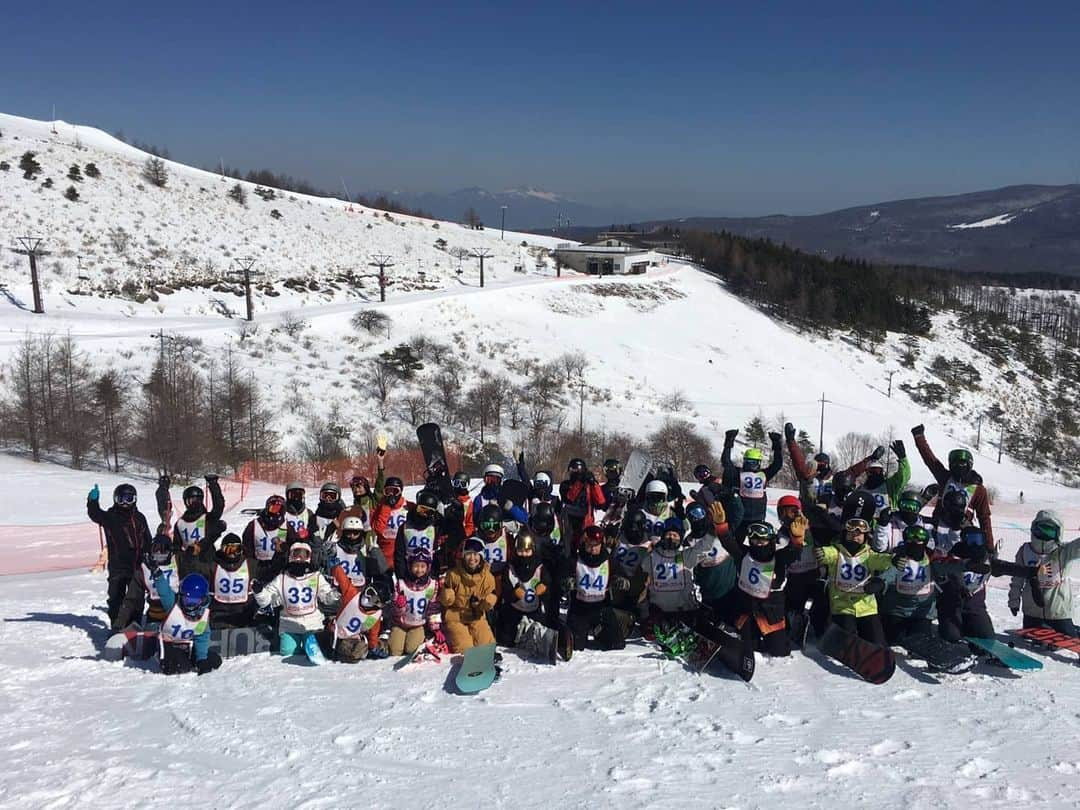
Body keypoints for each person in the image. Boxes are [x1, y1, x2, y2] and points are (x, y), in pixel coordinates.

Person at [717, 520, 799, 656]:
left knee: (779, 651)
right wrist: (721, 527)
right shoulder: (744, 555)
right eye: (754, 540)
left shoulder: (778, 558)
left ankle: (792, 620)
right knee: (749, 646)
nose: (758, 544)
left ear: (771, 540)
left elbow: (793, 553)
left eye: (762, 540)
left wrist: (797, 540)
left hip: (771, 611)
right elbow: (728, 543)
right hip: (747, 609)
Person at [911, 425, 994, 553]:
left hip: (962, 533)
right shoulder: (945, 478)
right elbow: (931, 460)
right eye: (955, 464)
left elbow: (984, 517)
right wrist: (919, 437)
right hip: (938, 528)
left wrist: (989, 547)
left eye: (962, 464)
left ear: (969, 466)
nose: (958, 467)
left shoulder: (978, 489)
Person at [815, 516, 895, 644]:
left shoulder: (869, 555)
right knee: (848, 636)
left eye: (859, 534)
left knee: (876, 639)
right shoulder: (837, 552)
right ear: (845, 534)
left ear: (865, 537)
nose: (855, 537)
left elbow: (881, 560)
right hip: (842, 605)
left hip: (867, 606)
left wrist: (892, 559)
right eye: (851, 533)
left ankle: (876, 654)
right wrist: (822, 553)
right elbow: (828, 554)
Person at [253, 542, 340, 658]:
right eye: (296, 554)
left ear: (309, 558)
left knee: (313, 652)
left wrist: (336, 592)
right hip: (289, 624)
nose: (299, 558)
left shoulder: (316, 576)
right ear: (290, 556)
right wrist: (259, 592)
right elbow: (267, 600)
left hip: (312, 624)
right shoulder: (282, 578)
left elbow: (327, 598)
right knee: (288, 653)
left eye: (304, 555)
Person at [87, 482, 153, 627]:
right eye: (121, 499)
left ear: (134, 499)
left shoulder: (139, 518)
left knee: (137, 598)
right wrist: (92, 501)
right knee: (116, 598)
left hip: (137, 566)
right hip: (118, 566)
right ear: (115, 499)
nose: (124, 503)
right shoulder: (111, 517)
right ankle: (117, 626)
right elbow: (95, 514)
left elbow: (147, 539)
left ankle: (135, 625)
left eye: (128, 499)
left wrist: (150, 555)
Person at [497, 533, 568, 661]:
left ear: (532, 550)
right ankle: (523, 632)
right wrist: (513, 594)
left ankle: (550, 638)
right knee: (506, 640)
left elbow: (550, 590)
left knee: (543, 627)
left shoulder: (540, 567)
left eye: (527, 551)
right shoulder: (510, 568)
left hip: (533, 609)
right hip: (514, 609)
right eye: (520, 551)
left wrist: (545, 589)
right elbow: (505, 591)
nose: (524, 554)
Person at [1009, 510, 1080, 636]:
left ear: (1058, 533)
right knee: (1032, 642)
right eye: (1040, 529)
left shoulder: (1064, 551)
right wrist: (1014, 601)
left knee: (1069, 639)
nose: (1043, 534)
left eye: (1049, 531)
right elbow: (1017, 579)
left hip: (1059, 613)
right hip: (1032, 612)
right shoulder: (1025, 551)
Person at [641, 515, 718, 630]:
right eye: (668, 534)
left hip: (685, 611)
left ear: (681, 538)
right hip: (660, 612)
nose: (671, 538)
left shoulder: (686, 556)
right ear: (662, 536)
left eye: (675, 535)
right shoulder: (652, 556)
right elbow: (642, 581)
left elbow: (704, 547)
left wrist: (714, 529)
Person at [785, 422, 884, 503]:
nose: (819, 468)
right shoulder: (807, 477)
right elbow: (799, 463)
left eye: (822, 465)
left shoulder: (835, 480)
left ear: (827, 465)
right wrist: (791, 441)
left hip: (828, 515)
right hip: (808, 513)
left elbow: (854, 471)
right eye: (817, 464)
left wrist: (872, 458)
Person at [564, 525, 626, 652]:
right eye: (589, 544)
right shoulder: (575, 560)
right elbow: (562, 576)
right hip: (580, 608)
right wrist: (566, 582)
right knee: (576, 645)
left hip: (602, 607)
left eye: (596, 545)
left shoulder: (609, 561)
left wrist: (620, 581)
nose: (592, 548)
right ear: (584, 543)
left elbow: (621, 576)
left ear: (601, 544)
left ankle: (604, 630)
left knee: (617, 644)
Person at [154, 571, 222, 675]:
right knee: (179, 667)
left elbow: (201, 636)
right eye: (187, 600)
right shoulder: (172, 604)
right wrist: (158, 576)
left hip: (187, 646)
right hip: (168, 645)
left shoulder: (202, 614)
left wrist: (201, 659)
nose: (190, 605)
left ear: (202, 600)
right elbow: (165, 592)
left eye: (194, 601)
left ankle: (195, 660)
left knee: (214, 660)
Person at [440, 537, 497, 652]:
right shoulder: (453, 574)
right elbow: (445, 600)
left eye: (476, 554)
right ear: (463, 555)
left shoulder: (487, 577)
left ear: (481, 556)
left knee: (486, 645)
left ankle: (486, 660)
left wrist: (487, 602)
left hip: (476, 616)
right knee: (465, 647)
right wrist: (447, 596)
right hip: (456, 617)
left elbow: (491, 595)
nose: (472, 558)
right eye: (468, 554)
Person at [721, 428, 784, 531]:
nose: (751, 465)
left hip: (749, 517)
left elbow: (726, 462)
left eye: (753, 462)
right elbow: (777, 464)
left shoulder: (741, 473)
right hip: (745, 517)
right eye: (749, 462)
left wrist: (729, 442)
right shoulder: (760, 475)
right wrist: (776, 444)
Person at [113, 533, 178, 630]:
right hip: (155, 618)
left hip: (177, 617)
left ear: (170, 551)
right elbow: (131, 599)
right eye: (156, 549)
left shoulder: (179, 563)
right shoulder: (144, 569)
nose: (159, 554)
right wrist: (119, 624)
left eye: (164, 550)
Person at [388, 548, 445, 656]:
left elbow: (433, 609)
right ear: (410, 566)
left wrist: (436, 628)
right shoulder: (401, 584)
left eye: (423, 566)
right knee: (394, 651)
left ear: (428, 567)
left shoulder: (432, 585)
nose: (419, 570)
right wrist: (399, 606)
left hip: (418, 624)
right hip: (401, 624)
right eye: (416, 566)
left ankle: (424, 637)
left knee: (411, 649)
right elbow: (393, 610)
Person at [326, 515, 390, 596]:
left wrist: (376, 553)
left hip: (360, 591)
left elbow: (381, 570)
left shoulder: (366, 549)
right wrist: (326, 551)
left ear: (361, 533)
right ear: (343, 532)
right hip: (338, 590)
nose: (352, 536)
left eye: (355, 532)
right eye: (348, 532)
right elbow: (324, 567)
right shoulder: (335, 548)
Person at [328, 581, 385, 663]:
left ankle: (381, 645)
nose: (367, 597)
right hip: (334, 632)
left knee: (360, 648)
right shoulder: (353, 595)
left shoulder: (374, 615)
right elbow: (342, 577)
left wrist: (373, 646)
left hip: (351, 639)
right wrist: (335, 568)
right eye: (369, 592)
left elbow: (373, 632)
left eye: (373, 598)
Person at [243, 494, 295, 583]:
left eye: (279, 509)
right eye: (273, 508)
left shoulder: (286, 526)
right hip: (258, 566)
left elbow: (294, 545)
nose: (276, 512)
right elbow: (247, 547)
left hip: (279, 567)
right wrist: (251, 565)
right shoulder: (254, 525)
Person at [209, 533, 257, 628]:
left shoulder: (250, 564)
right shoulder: (213, 566)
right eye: (228, 549)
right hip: (219, 615)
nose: (232, 553)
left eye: (236, 550)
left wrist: (279, 555)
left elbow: (268, 571)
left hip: (243, 614)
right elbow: (194, 568)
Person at [393, 489, 444, 577]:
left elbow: (438, 552)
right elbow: (399, 553)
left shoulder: (435, 528)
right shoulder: (405, 527)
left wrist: (434, 574)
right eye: (421, 509)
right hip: (408, 572)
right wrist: (401, 576)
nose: (424, 514)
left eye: (428, 512)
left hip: (428, 573)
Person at [559, 458, 607, 545]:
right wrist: (579, 482)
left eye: (578, 470)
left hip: (586, 525)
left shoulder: (588, 486)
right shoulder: (565, 485)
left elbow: (600, 503)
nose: (575, 472)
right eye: (573, 470)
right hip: (570, 524)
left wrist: (594, 484)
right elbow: (569, 498)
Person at [173, 475, 225, 554]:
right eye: (191, 501)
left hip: (207, 561)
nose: (195, 503)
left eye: (197, 500)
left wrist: (213, 484)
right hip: (189, 562)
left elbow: (218, 507)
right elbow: (177, 546)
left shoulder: (208, 518)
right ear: (185, 502)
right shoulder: (180, 523)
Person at [370, 476, 411, 574]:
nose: (391, 495)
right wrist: (386, 508)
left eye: (395, 491)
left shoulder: (408, 507)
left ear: (400, 492)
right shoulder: (380, 508)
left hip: (404, 551)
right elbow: (378, 529)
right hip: (386, 551)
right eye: (388, 491)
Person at [450, 472, 476, 536]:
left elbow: (470, 524)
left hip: (460, 536)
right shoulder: (448, 500)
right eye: (456, 483)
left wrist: (464, 535)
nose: (459, 487)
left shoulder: (468, 503)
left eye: (463, 484)